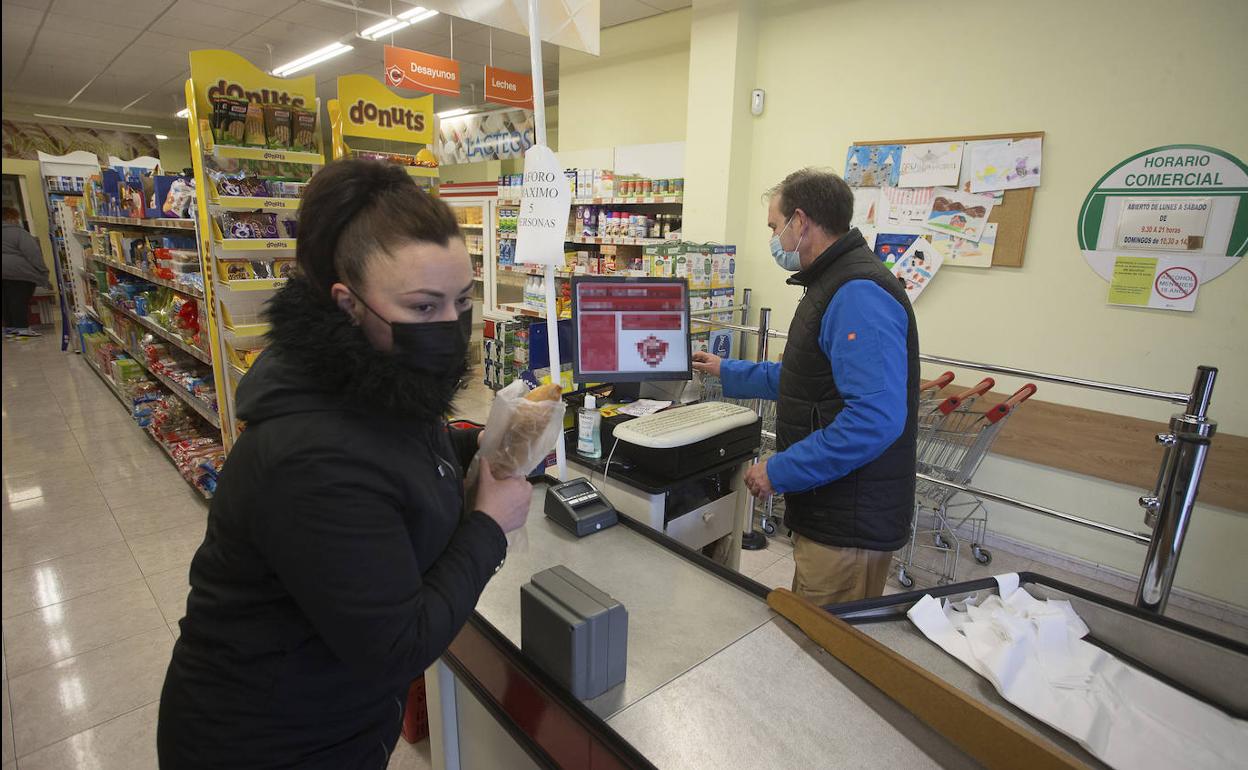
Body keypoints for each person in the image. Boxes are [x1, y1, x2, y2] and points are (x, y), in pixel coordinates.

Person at [157, 160, 533, 768]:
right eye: (422, 306)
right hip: (265, 741)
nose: (449, 325)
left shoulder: (375, 376)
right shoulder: (308, 456)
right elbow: (396, 647)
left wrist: (484, 446)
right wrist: (488, 528)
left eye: (462, 301)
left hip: (336, 715)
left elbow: (398, 455)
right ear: (348, 303)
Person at [693, 168, 918, 605]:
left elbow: (873, 419)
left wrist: (780, 470)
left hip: (847, 524)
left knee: (825, 650)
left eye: (775, 227)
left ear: (801, 222)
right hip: (833, 511)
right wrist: (727, 370)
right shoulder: (832, 283)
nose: (775, 238)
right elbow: (808, 381)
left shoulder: (856, 294)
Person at [2, 206, 51, 337]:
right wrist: (43, 271)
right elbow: (33, 253)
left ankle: (10, 329)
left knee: (6, 301)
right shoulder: (19, 233)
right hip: (20, 273)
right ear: (11, 218)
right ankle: (22, 329)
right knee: (19, 301)